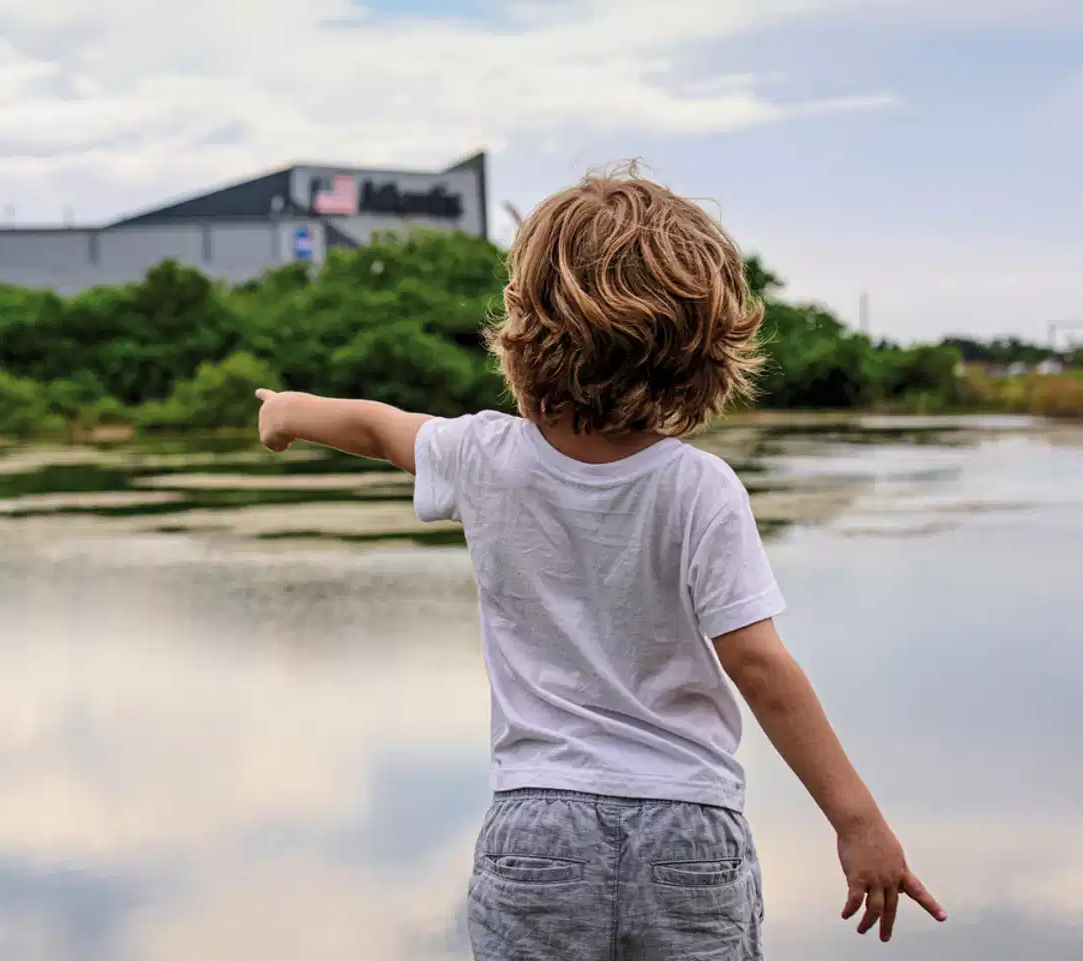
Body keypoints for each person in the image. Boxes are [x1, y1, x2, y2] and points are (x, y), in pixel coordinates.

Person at [253, 169, 946, 960]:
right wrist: (857, 821)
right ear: (703, 348)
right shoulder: (700, 487)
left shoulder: (487, 457)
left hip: (539, 830)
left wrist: (287, 414)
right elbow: (757, 663)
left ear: (525, 326)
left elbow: (380, 429)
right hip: (688, 829)